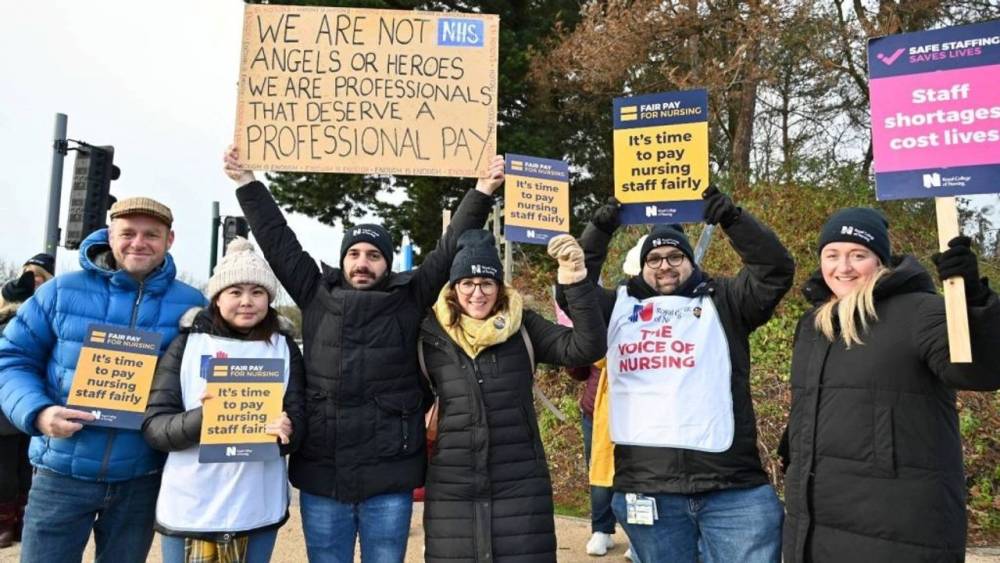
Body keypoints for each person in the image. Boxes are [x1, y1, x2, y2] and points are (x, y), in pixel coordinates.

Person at [224, 145, 503, 562]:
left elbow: (447, 250)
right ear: (342, 260)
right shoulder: (314, 293)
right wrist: (248, 184)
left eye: (373, 256)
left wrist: (481, 191)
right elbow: (278, 240)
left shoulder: (410, 298)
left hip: (389, 473)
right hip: (323, 470)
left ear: (387, 265)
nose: (362, 263)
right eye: (354, 254)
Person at [571, 187, 795, 563]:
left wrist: (733, 219)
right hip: (648, 491)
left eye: (675, 256)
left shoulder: (726, 300)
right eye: (654, 258)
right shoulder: (617, 307)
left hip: (732, 489)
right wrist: (599, 230)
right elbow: (573, 292)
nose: (664, 265)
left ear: (692, 261)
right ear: (641, 266)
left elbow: (775, 272)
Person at [781, 208, 1000, 562]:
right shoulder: (814, 326)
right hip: (816, 525)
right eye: (832, 255)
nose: (843, 267)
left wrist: (972, 302)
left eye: (858, 255)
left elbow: (983, 371)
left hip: (897, 528)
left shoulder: (921, 313)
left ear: (880, 260)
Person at [0, 198, 205, 563]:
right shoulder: (60, 292)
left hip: (141, 476)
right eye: (127, 233)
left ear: (169, 240)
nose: (138, 243)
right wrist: (38, 413)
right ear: (110, 236)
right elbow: (11, 359)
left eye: (151, 235)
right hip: (60, 472)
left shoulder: (192, 304)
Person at [419, 231, 606, 562]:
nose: (477, 293)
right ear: (453, 288)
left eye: (487, 283)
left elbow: (586, 347)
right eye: (468, 283)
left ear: (500, 288)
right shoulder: (430, 334)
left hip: (520, 486)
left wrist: (575, 282)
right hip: (452, 489)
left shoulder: (522, 327)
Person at [142, 237, 306, 563]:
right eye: (235, 292)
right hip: (192, 503)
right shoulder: (186, 345)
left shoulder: (284, 348)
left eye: (257, 292)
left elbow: (301, 419)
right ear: (217, 298)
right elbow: (154, 427)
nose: (247, 302)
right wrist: (204, 417)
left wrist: (289, 430)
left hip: (256, 501)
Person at [0, 254, 54, 548]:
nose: (33, 282)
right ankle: (11, 521)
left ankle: (13, 520)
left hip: (36, 404)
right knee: (11, 465)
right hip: (14, 401)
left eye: (39, 277)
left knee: (19, 465)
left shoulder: (46, 314)